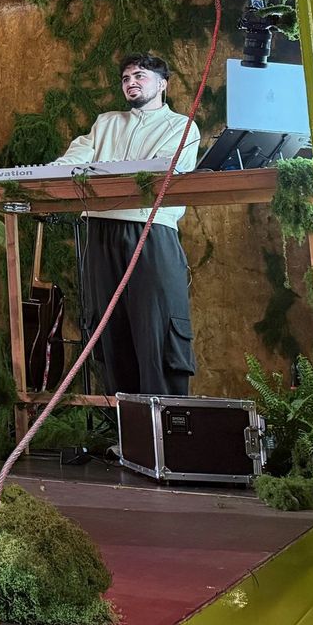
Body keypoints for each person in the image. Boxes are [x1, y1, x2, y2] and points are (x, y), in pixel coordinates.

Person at [55, 53, 201, 396]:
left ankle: (167, 433)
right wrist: (55, 173)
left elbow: (163, 170)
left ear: (162, 84)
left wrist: (104, 171)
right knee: (109, 327)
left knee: (158, 328)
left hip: (151, 231)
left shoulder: (180, 126)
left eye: (139, 76)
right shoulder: (105, 122)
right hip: (100, 229)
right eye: (125, 78)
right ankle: (127, 432)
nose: (131, 82)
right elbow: (73, 160)